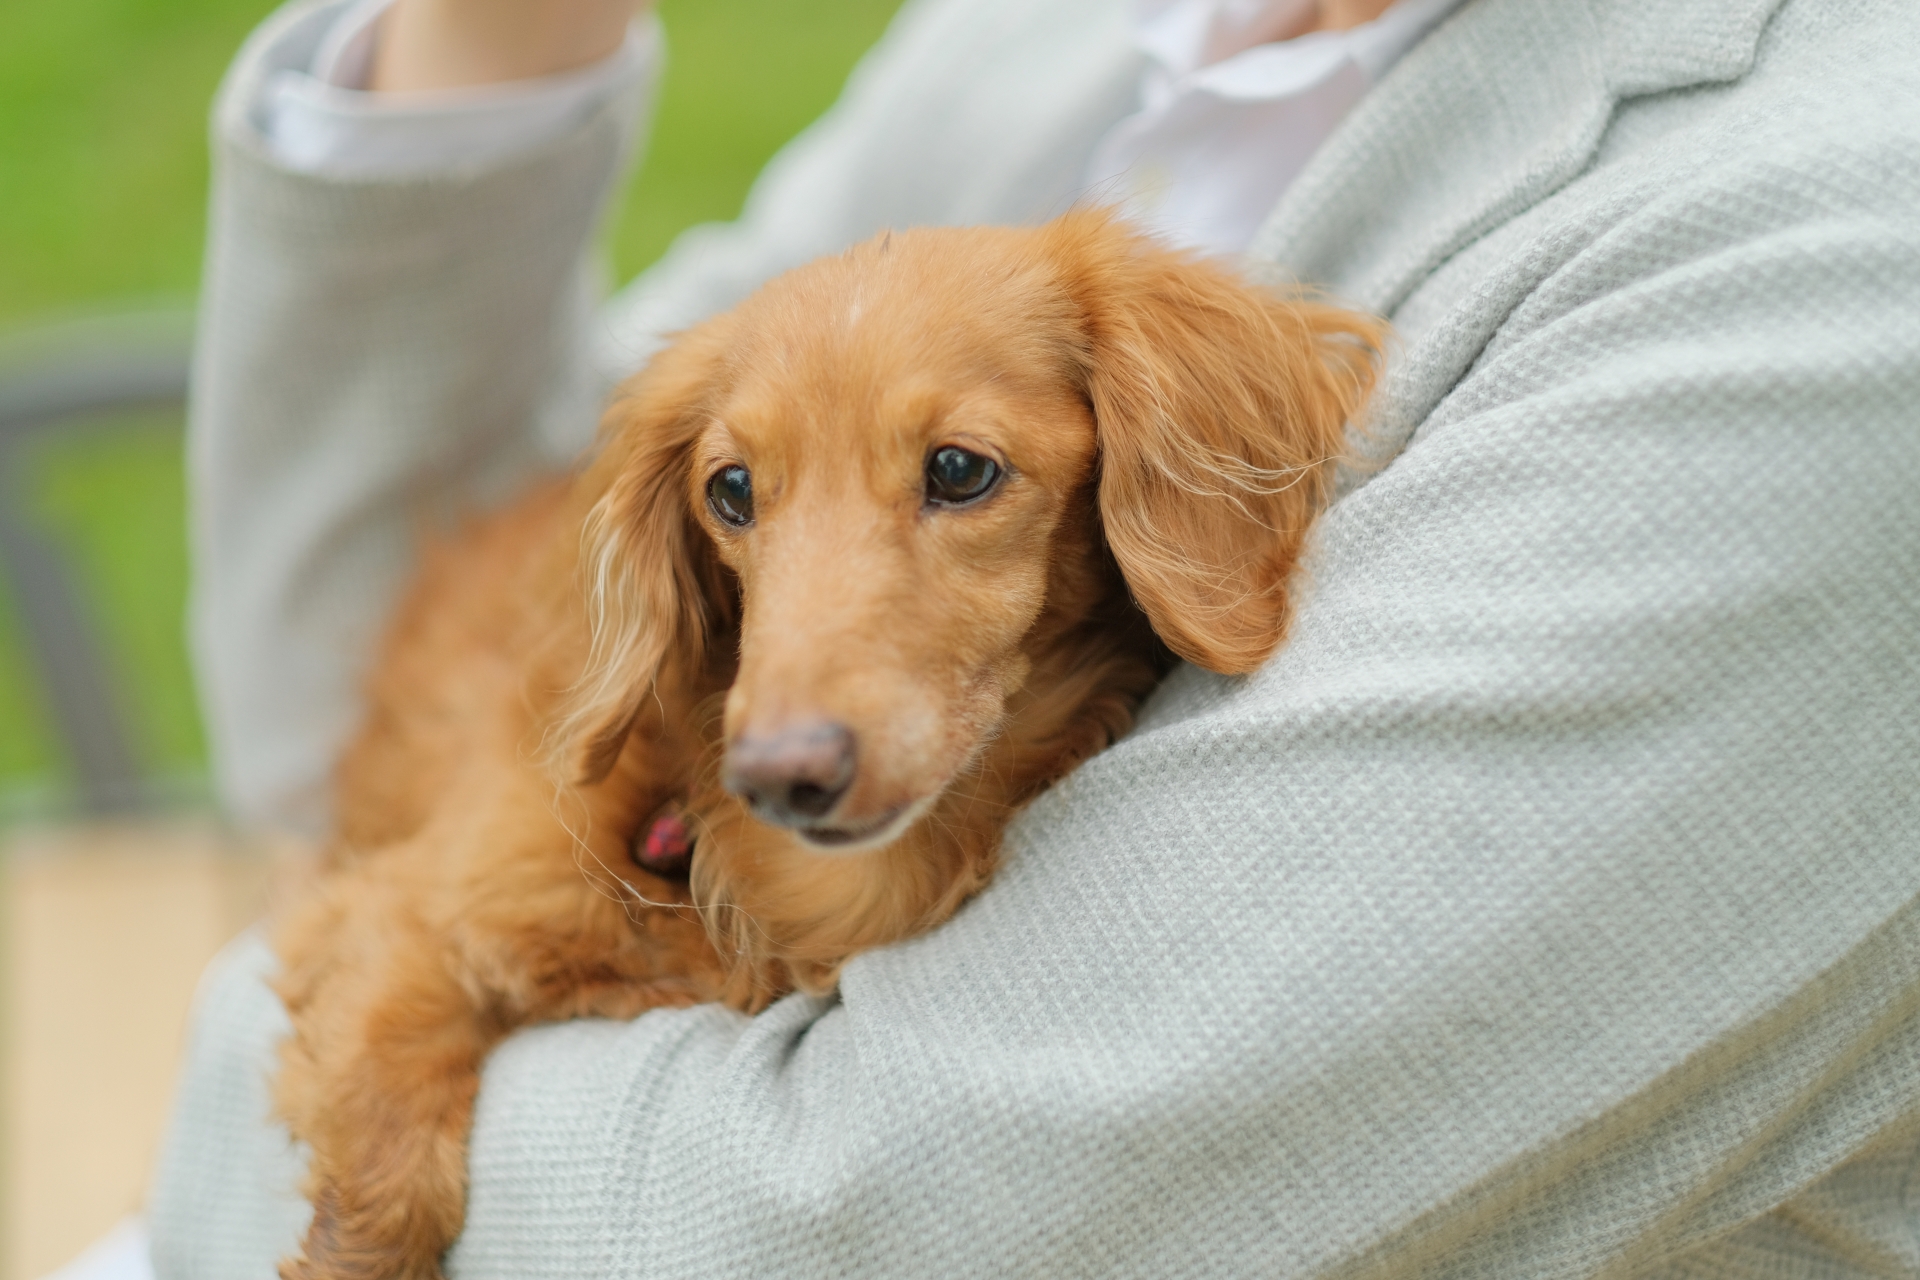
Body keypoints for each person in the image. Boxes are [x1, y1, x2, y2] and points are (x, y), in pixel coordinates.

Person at [138, 0, 1920, 1274]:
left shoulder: (1843, 237)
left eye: (967, 474)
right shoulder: (1034, 34)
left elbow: (905, 1222)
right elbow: (365, 685)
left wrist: (246, 1100)